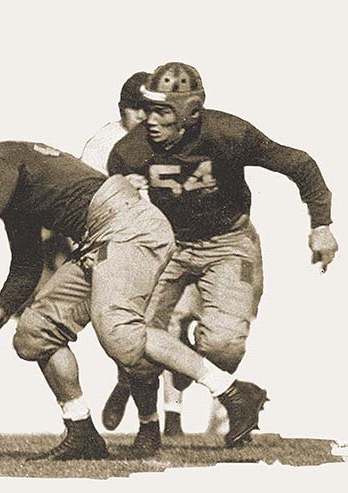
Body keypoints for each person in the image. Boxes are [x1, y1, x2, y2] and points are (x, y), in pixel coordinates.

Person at [0, 128, 270, 460]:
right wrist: (3, 306)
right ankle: (81, 432)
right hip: (99, 237)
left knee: (121, 334)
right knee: (34, 333)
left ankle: (234, 393)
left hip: (126, 224)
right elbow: (26, 261)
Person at [106, 62, 337, 441]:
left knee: (224, 345)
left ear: (190, 113)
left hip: (228, 242)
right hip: (167, 244)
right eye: (148, 109)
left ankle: (192, 368)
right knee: (133, 339)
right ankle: (149, 428)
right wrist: (126, 196)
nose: (151, 121)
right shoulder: (129, 152)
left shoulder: (227, 133)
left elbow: (300, 164)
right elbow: (110, 210)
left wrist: (321, 226)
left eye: (163, 111)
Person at [88, 71, 199, 437]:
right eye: (139, 110)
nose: (147, 119)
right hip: (130, 247)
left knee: (177, 322)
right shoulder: (105, 145)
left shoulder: (169, 138)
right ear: (123, 110)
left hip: (176, 241)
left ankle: (174, 416)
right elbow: (87, 200)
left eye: (156, 110)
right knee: (140, 330)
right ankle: (147, 412)